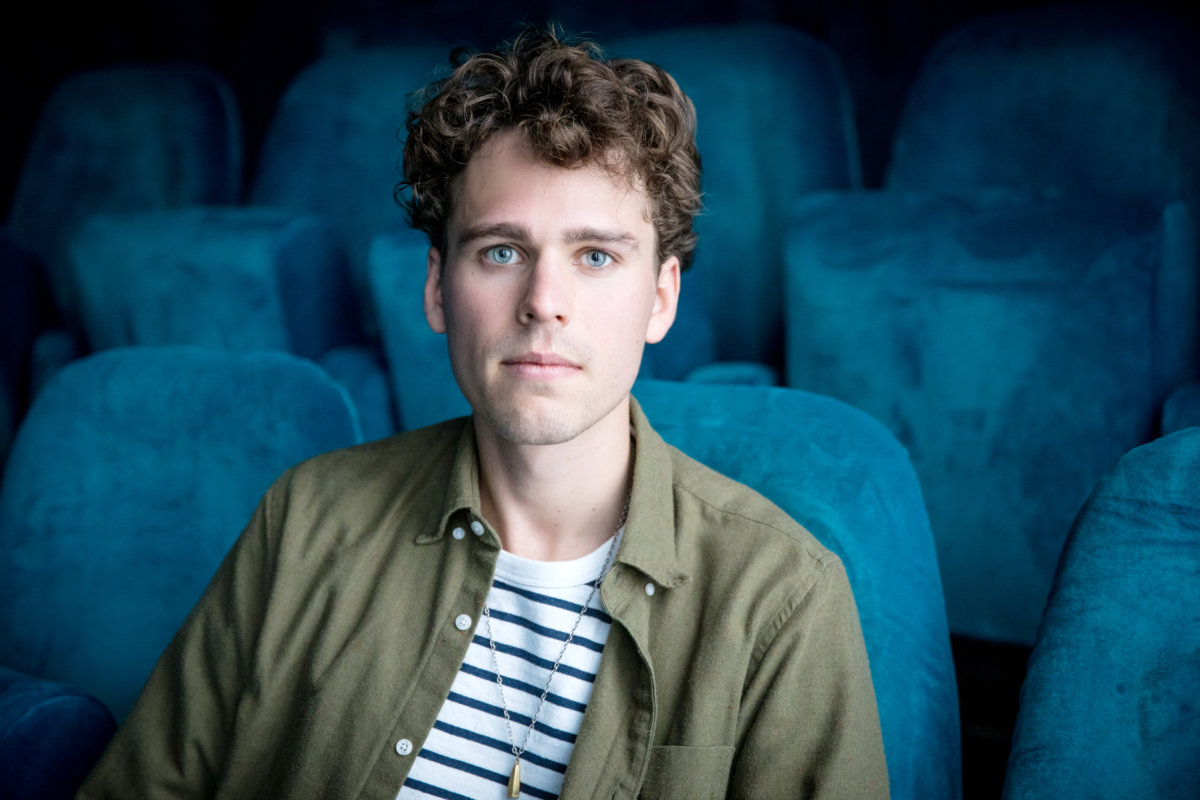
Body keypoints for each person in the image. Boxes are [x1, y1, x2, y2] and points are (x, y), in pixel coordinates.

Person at [77, 25, 888, 800]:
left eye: (595, 256)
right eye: (502, 251)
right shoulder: (305, 520)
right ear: (437, 288)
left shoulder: (783, 602)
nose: (543, 301)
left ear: (661, 299)